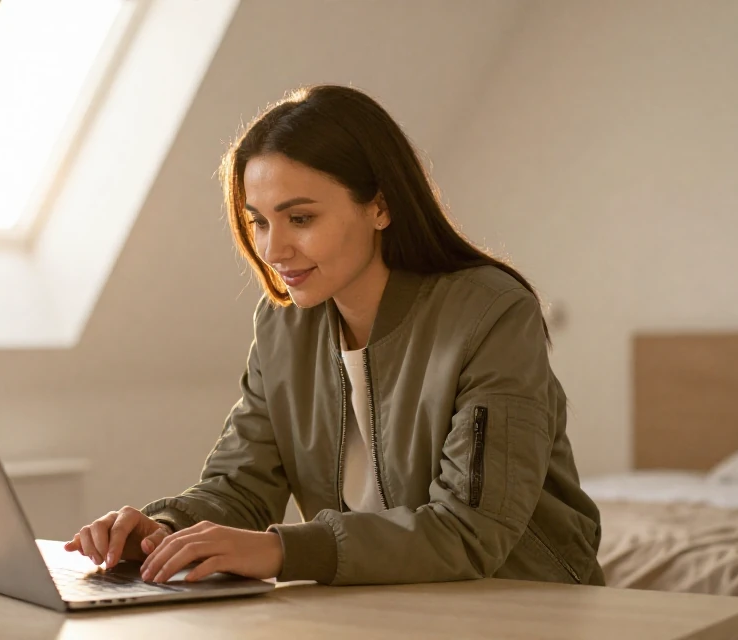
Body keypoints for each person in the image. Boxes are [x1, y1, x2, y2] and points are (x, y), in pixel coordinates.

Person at [64, 84, 604, 587]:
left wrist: (280, 552)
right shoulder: (283, 325)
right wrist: (160, 530)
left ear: (381, 206)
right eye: (259, 222)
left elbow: (470, 531)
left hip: (522, 602)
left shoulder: (489, 314)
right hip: (377, 605)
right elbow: (242, 487)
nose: (273, 252)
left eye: (299, 219)